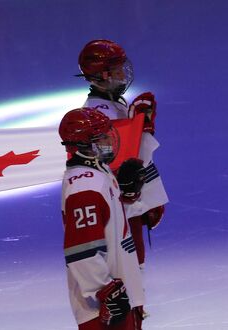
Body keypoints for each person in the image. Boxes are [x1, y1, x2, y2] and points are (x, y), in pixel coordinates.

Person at [77, 39, 169, 270]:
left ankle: (136, 305)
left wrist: (149, 198)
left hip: (128, 200)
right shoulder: (99, 114)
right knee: (128, 266)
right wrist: (144, 128)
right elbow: (123, 160)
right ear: (103, 75)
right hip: (120, 204)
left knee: (134, 265)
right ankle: (132, 306)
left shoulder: (113, 105)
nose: (123, 74)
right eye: (117, 69)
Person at [59, 108, 145, 329]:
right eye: (102, 136)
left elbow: (107, 221)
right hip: (102, 306)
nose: (110, 139)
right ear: (85, 145)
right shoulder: (84, 186)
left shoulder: (99, 173)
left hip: (118, 291)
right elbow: (81, 248)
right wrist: (105, 290)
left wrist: (126, 195)